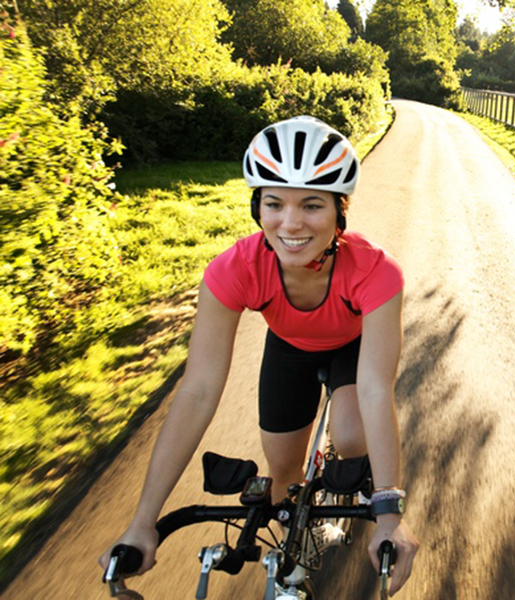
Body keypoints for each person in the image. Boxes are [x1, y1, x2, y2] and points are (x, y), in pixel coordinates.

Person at [99, 116, 419, 595]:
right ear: (257, 207)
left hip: (352, 350)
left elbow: (376, 387)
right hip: (288, 348)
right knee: (282, 480)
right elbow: (199, 389)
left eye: (312, 205)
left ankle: (348, 465)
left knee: (353, 439)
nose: (290, 223)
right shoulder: (234, 269)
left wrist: (389, 512)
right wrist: (143, 520)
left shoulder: (376, 272)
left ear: (339, 212)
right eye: (274, 203)